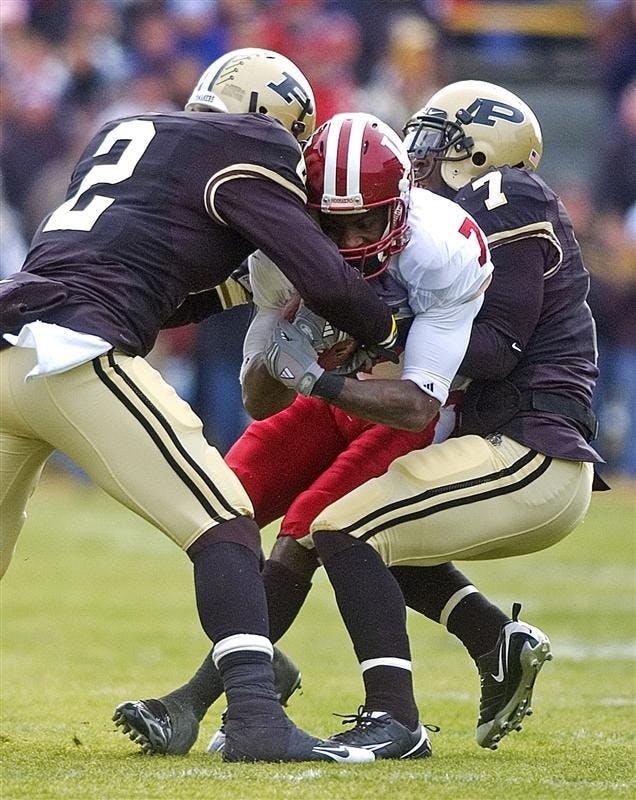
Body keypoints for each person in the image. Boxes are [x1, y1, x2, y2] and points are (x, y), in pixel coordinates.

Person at [137, 83, 605, 760]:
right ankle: (489, 639)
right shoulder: (364, 222)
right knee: (294, 519)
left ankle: (381, 715)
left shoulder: (496, 203)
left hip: (527, 438)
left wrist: (365, 340)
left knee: (339, 528)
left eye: (437, 144)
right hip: (472, 428)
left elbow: (496, 349)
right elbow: (250, 334)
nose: (419, 159)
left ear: (481, 150)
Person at [0, 48, 403, 765]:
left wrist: (236, 292)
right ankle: (254, 717)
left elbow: (157, 279)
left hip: (9, 341)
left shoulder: (121, 132)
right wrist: (389, 329)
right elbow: (326, 280)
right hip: (72, 353)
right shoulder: (251, 143)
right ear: (277, 120)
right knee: (223, 519)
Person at [112, 110, 494, 759]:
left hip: (405, 398)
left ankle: (218, 701)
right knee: (221, 510)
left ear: (399, 207)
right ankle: (252, 679)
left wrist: (317, 379)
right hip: (334, 389)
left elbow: (413, 405)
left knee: (321, 524)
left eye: (364, 222)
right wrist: (283, 357)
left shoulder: (442, 249)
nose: (347, 240)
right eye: (332, 223)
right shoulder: (277, 249)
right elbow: (258, 403)